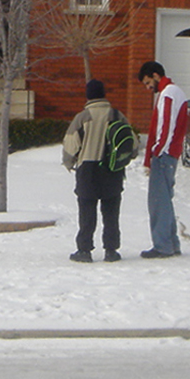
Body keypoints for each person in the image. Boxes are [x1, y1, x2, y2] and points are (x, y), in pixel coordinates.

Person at [61, 79, 129, 263]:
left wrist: (68, 163)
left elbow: (70, 145)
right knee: (111, 212)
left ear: (88, 95)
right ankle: (111, 250)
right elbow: (131, 143)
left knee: (87, 212)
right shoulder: (117, 115)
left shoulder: (82, 118)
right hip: (112, 170)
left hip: (88, 171)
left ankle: (84, 250)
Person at [137, 60, 187, 258]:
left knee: (158, 201)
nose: (149, 88)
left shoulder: (168, 94)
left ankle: (162, 245)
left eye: (148, 83)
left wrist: (156, 151)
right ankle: (171, 243)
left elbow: (166, 126)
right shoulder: (176, 92)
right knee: (165, 200)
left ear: (156, 75)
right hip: (170, 154)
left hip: (164, 155)